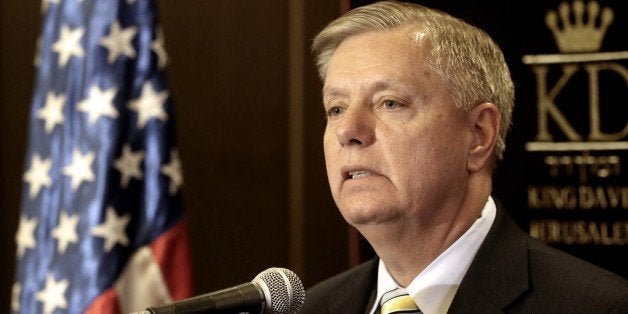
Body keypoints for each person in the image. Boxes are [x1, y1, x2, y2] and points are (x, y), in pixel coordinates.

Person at [301, 1, 628, 313]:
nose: (348, 130)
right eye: (336, 108)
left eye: (390, 103)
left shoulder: (597, 306)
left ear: (478, 135)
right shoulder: (313, 308)